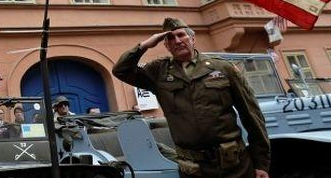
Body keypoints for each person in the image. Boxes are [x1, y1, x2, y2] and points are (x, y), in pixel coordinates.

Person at [112, 17, 270, 178]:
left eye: (181, 35)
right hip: (193, 170)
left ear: (193, 39)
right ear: (166, 46)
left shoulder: (222, 68)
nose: (177, 41)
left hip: (235, 166)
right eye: (170, 38)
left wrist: (261, 164)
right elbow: (120, 71)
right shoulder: (158, 71)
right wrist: (144, 45)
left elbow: (251, 115)